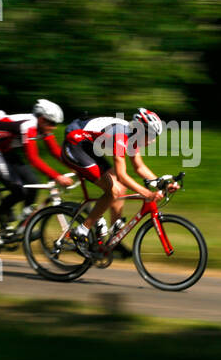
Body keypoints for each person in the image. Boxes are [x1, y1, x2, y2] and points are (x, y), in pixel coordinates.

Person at [61, 108, 176, 252]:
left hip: (88, 146)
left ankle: (114, 240)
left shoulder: (133, 136)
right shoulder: (121, 136)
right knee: (113, 190)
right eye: (151, 135)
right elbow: (122, 175)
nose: (153, 140)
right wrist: (147, 193)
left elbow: (139, 167)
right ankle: (82, 230)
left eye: (155, 136)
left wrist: (163, 184)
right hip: (75, 144)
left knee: (121, 189)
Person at [0, 99, 74, 243]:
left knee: (33, 183)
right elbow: (33, 159)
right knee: (18, 190)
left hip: (6, 149)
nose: (54, 128)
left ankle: (23, 226)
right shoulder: (28, 125)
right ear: (42, 120)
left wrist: (75, 167)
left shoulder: (43, 127)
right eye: (52, 123)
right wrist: (57, 177)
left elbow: (55, 151)